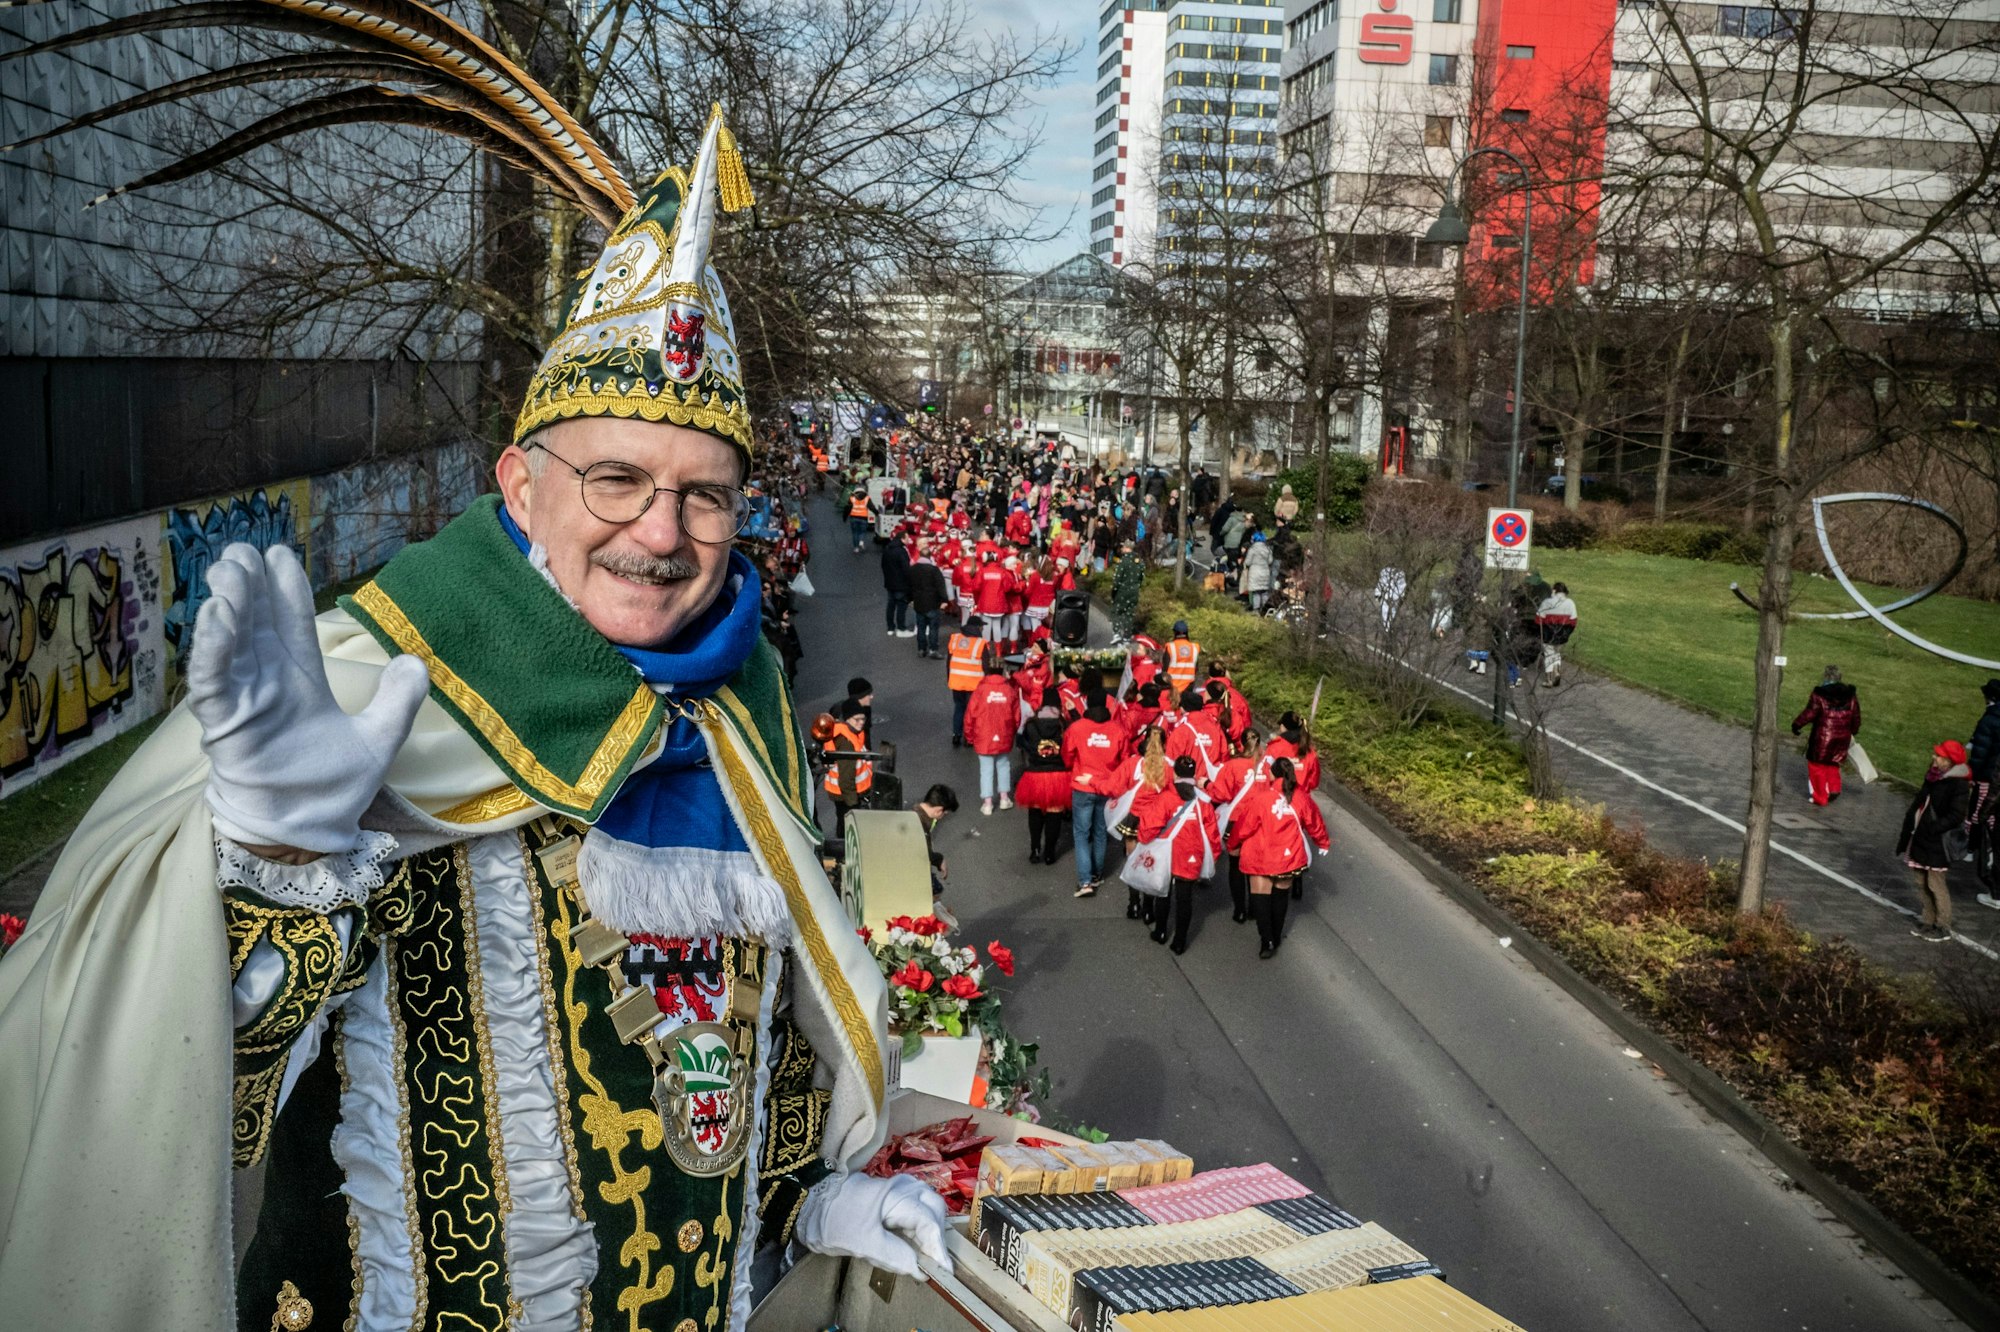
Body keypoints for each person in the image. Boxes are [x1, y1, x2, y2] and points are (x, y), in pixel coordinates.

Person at [0, 103, 941, 1331]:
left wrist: (804, 1206)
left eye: (703, 498)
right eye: (616, 479)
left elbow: (742, 1050)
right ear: (518, 482)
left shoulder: (739, 701)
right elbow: (158, 1111)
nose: (660, 534)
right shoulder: (369, 689)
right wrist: (270, 860)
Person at [1229, 756, 1330, 958]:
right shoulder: (1301, 798)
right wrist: (1322, 842)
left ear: (1273, 774)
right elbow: (1314, 821)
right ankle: (1276, 934)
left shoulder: (1261, 799)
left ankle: (1266, 940)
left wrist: (1233, 843)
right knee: (1281, 896)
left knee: (1260, 896)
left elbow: (1245, 826)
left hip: (1261, 854)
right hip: (1289, 856)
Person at [1131, 755, 1220, 954]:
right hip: (1191, 853)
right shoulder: (1203, 801)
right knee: (1185, 898)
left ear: (1175, 772)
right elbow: (1212, 834)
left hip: (1167, 852)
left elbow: (1149, 826)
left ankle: (1161, 931)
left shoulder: (1166, 797)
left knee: (1163, 893)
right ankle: (1180, 941)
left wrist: (1143, 839)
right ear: (1194, 774)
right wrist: (1212, 857)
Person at [1898, 740, 1972, 941]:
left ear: (1948, 761)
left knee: (1935, 883)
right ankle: (1928, 919)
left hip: (1937, 841)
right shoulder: (1932, 776)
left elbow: (1956, 815)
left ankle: (1943, 925)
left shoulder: (1958, 784)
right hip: (1921, 836)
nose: (1934, 758)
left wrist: (1933, 828)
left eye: (1938, 755)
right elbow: (1919, 803)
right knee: (1920, 880)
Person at [1063, 691, 1129, 898]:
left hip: (1082, 787)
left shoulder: (1077, 728)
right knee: (1101, 832)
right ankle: (1097, 874)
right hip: (1106, 788)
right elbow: (1124, 760)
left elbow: (1067, 756)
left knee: (1081, 835)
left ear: (1087, 705)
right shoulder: (1118, 730)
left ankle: (1085, 881)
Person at [1207, 730, 1266, 923]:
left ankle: (1239, 909)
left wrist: (1206, 783)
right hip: (1260, 821)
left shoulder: (1233, 766)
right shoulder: (1267, 767)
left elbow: (1220, 794)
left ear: (1241, 744)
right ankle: (1256, 908)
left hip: (1237, 821)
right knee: (1255, 866)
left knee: (1235, 866)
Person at [1791, 666, 1861, 807]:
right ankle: (1834, 789)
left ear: (1825, 677)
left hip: (1823, 737)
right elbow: (1856, 716)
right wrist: (1853, 730)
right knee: (1833, 762)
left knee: (1816, 766)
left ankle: (1820, 797)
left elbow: (1809, 713)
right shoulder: (1850, 695)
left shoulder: (1819, 695)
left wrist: (1797, 725)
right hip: (1842, 737)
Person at [963, 649, 1021, 816]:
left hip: (983, 735)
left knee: (986, 769)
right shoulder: (1009, 690)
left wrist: (969, 735)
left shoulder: (980, 690)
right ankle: (1004, 797)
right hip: (1003, 734)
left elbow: (970, 714)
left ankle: (987, 802)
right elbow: (1017, 715)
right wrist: (1012, 731)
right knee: (1003, 765)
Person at [1015, 700, 1073, 864]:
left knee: (1035, 813)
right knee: (1054, 816)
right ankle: (1049, 852)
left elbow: (1020, 742)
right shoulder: (1063, 725)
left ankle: (1035, 848)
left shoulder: (1031, 725)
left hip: (1035, 775)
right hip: (1058, 776)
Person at [1971, 679, 2000, 911]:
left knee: (1982, 817)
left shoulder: (1990, 719)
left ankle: (1975, 850)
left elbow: (1981, 750)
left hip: (1988, 779)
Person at [821, 696, 875, 818]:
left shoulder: (851, 733)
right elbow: (846, 780)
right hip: (847, 797)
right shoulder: (846, 743)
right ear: (847, 719)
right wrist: (853, 807)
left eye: (863, 719)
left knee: (843, 824)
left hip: (844, 794)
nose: (861, 722)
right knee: (847, 828)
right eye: (857, 719)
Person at [945, 615, 986, 746]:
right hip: (974, 683)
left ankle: (956, 734)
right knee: (972, 711)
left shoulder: (955, 639)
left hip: (956, 681)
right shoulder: (980, 643)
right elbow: (987, 665)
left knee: (959, 707)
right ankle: (969, 738)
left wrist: (949, 678)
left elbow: (949, 661)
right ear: (978, 627)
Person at [907, 543, 951, 658]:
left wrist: (910, 599)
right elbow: (940, 586)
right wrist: (944, 600)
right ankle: (933, 650)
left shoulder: (913, 569)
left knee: (921, 627)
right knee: (933, 628)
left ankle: (921, 649)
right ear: (930, 557)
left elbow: (909, 586)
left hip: (919, 603)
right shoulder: (934, 570)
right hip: (932, 603)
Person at [1536, 581, 1578, 686]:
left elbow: (1538, 619)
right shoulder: (1570, 603)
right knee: (1556, 653)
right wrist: (1567, 633)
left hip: (1548, 634)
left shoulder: (1547, 602)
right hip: (1563, 634)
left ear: (1554, 590)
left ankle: (1549, 679)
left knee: (1549, 654)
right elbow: (1573, 621)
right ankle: (1557, 672)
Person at [880, 525, 914, 636]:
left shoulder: (887, 549)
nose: (909, 540)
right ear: (902, 539)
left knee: (890, 606)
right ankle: (901, 628)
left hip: (889, 583)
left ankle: (890, 627)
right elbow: (906, 569)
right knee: (901, 606)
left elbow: (883, 565)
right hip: (901, 584)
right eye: (907, 538)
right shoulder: (901, 551)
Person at [1110, 540, 1145, 643]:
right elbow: (1141, 577)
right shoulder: (1139, 562)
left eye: (1123, 547)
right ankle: (1127, 636)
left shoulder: (1123, 561)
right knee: (1129, 614)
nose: (1122, 549)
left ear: (1126, 548)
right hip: (1134, 591)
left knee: (1117, 611)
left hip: (1122, 591)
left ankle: (1116, 633)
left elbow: (1117, 579)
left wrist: (1114, 591)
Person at [1239, 531, 1275, 612]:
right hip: (1265, 572)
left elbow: (1247, 562)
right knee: (1264, 592)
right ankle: (1265, 609)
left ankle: (1256, 609)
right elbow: (1270, 561)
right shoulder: (1267, 549)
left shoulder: (1252, 549)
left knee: (1256, 592)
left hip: (1254, 573)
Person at [1166, 619, 1201, 695]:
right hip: (1188, 686)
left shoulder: (1170, 646)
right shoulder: (1195, 647)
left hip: (1171, 687)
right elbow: (1196, 668)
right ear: (1187, 632)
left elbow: (1165, 668)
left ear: (1175, 632)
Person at [849, 485, 873, 552]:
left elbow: (848, 508)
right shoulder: (867, 498)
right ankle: (861, 541)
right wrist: (877, 513)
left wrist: (844, 517)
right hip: (863, 518)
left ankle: (856, 548)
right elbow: (872, 507)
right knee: (862, 531)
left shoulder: (852, 498)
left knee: (855, 533)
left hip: (853, 518)